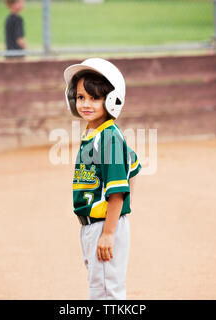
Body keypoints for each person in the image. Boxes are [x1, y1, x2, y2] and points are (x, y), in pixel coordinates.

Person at [63, 58, 142, 300]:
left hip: (103, 226)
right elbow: (134, 168)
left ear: (111, 100)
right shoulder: (97, 134)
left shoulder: (109, 138)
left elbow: (118, 191)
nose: (85, 103)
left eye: (94, 98)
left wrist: (110, 231)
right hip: (93, 227)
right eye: (80, 97)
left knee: (106, 293)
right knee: (101, 286)